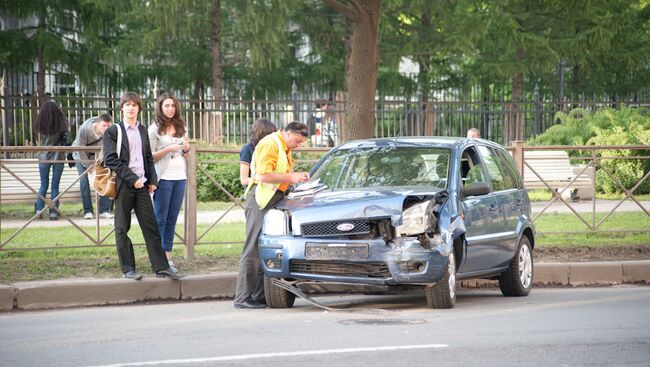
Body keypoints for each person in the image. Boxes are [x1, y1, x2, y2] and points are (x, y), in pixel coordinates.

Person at [103, 91, 180, 280]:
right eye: (127, 105)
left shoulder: (142, 130)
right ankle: (128, 269)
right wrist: (132, 178)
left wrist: (152, 180)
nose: (130, 108)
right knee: (122, 227)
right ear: (122, 108)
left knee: (151, 226)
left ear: (139, 108)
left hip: (143, 185)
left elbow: (147, 157)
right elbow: (111, 160)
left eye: (134, 105)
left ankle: (161, 267)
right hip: (124, 184)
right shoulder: (113, 131)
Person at [234, 121, 310, 309]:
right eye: (297, 141)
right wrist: (290, 177)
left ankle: (259, 296)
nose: (298, 145)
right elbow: (262, 175)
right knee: (252, 248)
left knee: (266, 247)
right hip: (261, 199)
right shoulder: (270, 143)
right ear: (288, 133)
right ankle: (243, 298)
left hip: (273, 198)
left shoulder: (283, 147)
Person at [148, 93, 190, 273]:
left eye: (173, 105)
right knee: (160, 219)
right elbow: (149, 156)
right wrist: (168, 149)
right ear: (160, 107)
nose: (170, 109)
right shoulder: (154, 129)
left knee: (172, 219)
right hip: (163, 177)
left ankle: (168, 257)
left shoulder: (182, 126)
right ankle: (157, 260)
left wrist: (186, 148)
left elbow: (185, 154)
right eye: (166, 106)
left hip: (180, 177)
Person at [72, 114, 114, 219]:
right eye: (104, 126)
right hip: (81, 156)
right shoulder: (84, 129)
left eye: (109, 126)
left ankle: (104, 210)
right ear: (98, 124)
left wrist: (99, 166)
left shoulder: (110, 131)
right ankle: (88, 211)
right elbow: (80, 149)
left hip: (98, 156)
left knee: (104, 178)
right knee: (84, 181)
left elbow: (108, 148)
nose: (107, 128)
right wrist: (90, 168)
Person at [34, 100, 70, 221]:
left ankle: (39, 210)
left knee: (43, 184)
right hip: (58, 157)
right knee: (55, 186)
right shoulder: (62, 124)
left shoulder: (41, 124)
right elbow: (67, 141)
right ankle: (53, 213)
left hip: (44, 157)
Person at [239, 118, 277, 187]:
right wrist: (266, 180)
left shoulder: (271, 148)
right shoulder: (247, 149)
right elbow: (244, 180)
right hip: (254, 190)